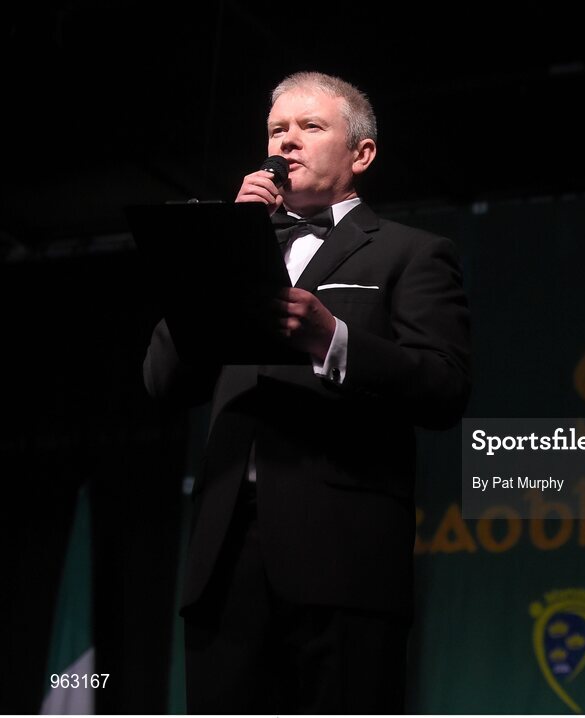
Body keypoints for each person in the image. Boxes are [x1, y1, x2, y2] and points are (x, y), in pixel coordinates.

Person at [143, 71, 471, 713]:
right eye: (276, 130)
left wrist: (334, 340)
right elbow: (161, 381)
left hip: (345, 558)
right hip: (225, 556)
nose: (286, 143)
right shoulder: (233, 250)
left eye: (310, 127)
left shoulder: (410, 253)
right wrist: (224, 243)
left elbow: (444, 387)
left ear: (361, 153)